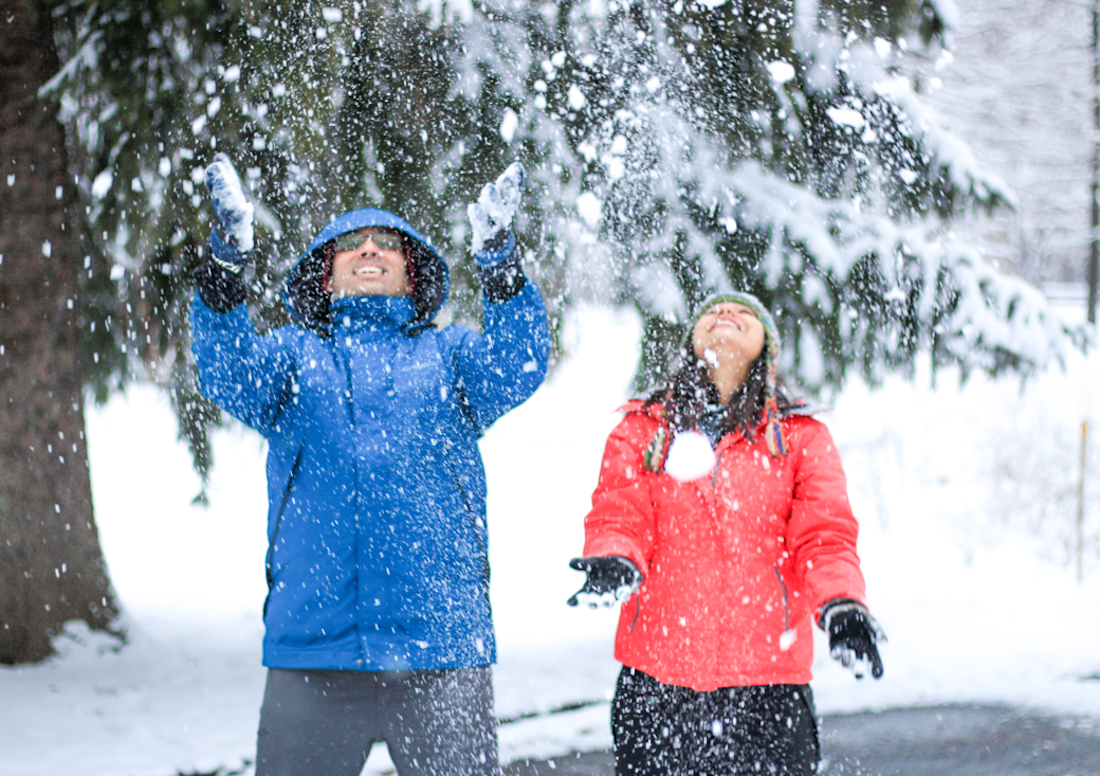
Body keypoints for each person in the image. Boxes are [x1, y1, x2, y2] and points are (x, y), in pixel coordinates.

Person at [190, 153, 549, 776]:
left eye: (388, 243)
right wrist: (225, 265)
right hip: (314, 647)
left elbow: (518, 364)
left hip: (441, 647)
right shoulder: (292, 359)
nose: (370, 250)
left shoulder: (452, 355)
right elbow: (227, 372)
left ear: (412, 275)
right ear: (325, 276)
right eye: (351, 243)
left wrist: (499, 262)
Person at [567, 292, 885, 776]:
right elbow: (619, 513)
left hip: (768, 690)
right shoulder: (641, 429)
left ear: (767, 348)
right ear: (693, 340)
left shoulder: (801, 436)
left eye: (743, 314)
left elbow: (825, 537)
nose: (725, 315)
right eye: (713, 312)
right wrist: (615, 557)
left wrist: (842, 604)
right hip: (658, 685)